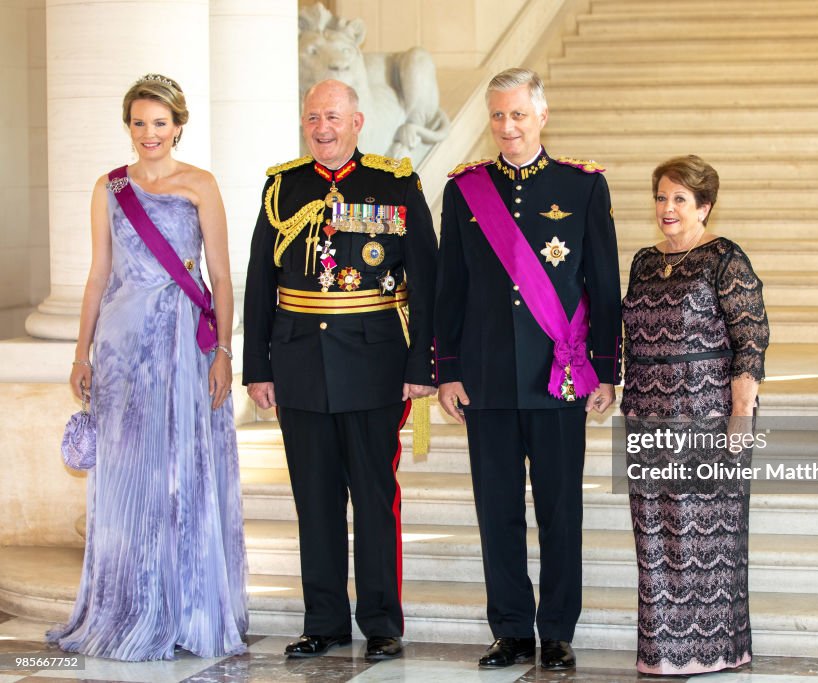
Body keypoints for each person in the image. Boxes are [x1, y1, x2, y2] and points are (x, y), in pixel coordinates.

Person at [48, 74, 247, 661]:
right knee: (129, 479)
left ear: (179, 126)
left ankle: (187, 608)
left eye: (160, 123)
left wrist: (224, 351)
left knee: (184, 473)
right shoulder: (109, 188)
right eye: (139, 122)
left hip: (186, 344)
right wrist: (81, 352)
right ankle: (126, 604)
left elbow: (221, 277)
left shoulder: (201, 186)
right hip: (121, 347)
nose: (149, 133)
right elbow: (97, 274)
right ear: (128, 127)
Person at [434, 67, 621, 671]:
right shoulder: (465, 191)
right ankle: (511, 628)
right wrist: (448, 369)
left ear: (542, 116)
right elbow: (449, 290)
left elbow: (602, 284)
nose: (507, 127)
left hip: (557, 377)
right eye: (497, 115)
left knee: (561, 509)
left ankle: (558, 629)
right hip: (486, 380)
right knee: (498, 511)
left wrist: (607, 368)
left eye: (518, 114)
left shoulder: (583, 187)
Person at [243, 79, 437, 661]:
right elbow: (260, 282)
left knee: (374, 497)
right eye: (312, 118)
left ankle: (380, 621)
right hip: (299, 361)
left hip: (374, 363)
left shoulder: (395, 182)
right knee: (315, 499)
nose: (321, 128)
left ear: (357, 121)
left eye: (332, 116)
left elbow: (426, 280)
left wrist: (421, 361)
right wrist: (258, 366)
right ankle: (323, 620)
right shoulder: (283, 186)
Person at [621, 155, 769, 675]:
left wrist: (741, 415)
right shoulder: (643, 261)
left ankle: (714, 650)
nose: (667, 207)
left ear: (704, 207)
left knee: (706, 535)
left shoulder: (724, 259)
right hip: (645, 413)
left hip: (705, 413)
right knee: (655, 535)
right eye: (661, 197)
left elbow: (750, 340)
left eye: (680, 198)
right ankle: (663, 653)